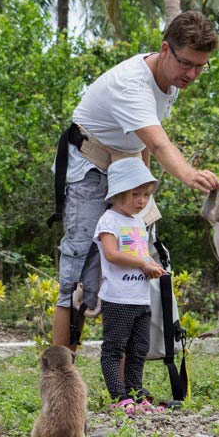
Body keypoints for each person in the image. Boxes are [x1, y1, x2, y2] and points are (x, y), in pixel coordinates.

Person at [50, 11, 219, 350]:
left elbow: (141, 140)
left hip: (126, 175)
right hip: (88, 170)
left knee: (139, 265)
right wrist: (189, 174)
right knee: (79, 274)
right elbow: (158, 142)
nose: (191, 74)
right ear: (165, 49)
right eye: (186, 64)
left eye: (200, 67)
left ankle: (128, 385)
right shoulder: (132, 83)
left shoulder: (170, 82)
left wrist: (145, 194)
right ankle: (61, 377)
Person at [94, 158, 166, 412]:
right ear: (118, 192)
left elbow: (142, 254)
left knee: (138, 350)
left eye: (146, 195)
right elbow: (112, 254)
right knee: (114, 349)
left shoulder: (138, 222)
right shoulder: (109, 220)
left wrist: (152, 267)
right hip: (118, 297)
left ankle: (136, 394)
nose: (142, 201)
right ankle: (119, 397)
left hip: (140, 298)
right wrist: (142, 264)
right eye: (135, 194)